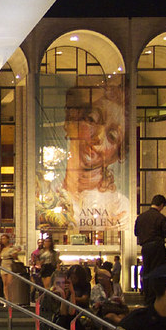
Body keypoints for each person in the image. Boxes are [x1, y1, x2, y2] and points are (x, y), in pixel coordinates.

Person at [37, 82, 129, 235]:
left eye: (111, 136)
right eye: (92, 120)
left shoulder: (119, 207)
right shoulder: (46, 192)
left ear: (118, 154)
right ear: (69, 123)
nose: (98, 138)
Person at [135, 194, 166, 304]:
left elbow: (136, 232)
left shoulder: (141, 217)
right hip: (157, 246)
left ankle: (146, 294)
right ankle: (155, 295)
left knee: (146, 270)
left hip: (145, 247)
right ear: (161, 205)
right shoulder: (160, 217)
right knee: (157, 270)